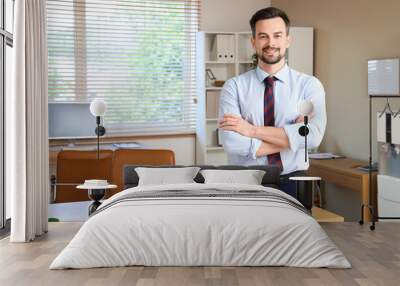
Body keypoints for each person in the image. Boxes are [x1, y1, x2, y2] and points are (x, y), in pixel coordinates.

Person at [218, 7, 327, 198]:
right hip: (247, 182)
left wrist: (251, 130)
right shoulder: (233, 87)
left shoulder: (309, 85)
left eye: (277, 35)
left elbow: (314, 137)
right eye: (263, 36)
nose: (271, 43)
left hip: (295, 181)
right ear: (253, 42)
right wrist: (293, 136)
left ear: (288, 40)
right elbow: (232, 143)